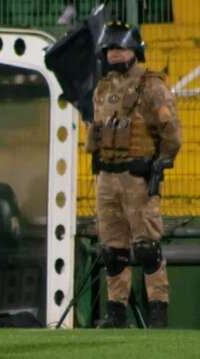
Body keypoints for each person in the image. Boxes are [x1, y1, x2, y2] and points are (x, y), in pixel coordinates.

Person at [85, 21, 181, 329]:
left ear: (134, 50)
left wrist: (159, 163)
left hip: (137, 177)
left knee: (147, 248)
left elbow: (172, 133)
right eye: (110, 48)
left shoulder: (152, 85)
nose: (114, 54)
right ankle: (116, 313)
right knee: (113, 250)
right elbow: (95, 132)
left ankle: (158, 312)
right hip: (107, 178)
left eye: (120, 47)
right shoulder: (102, 88)